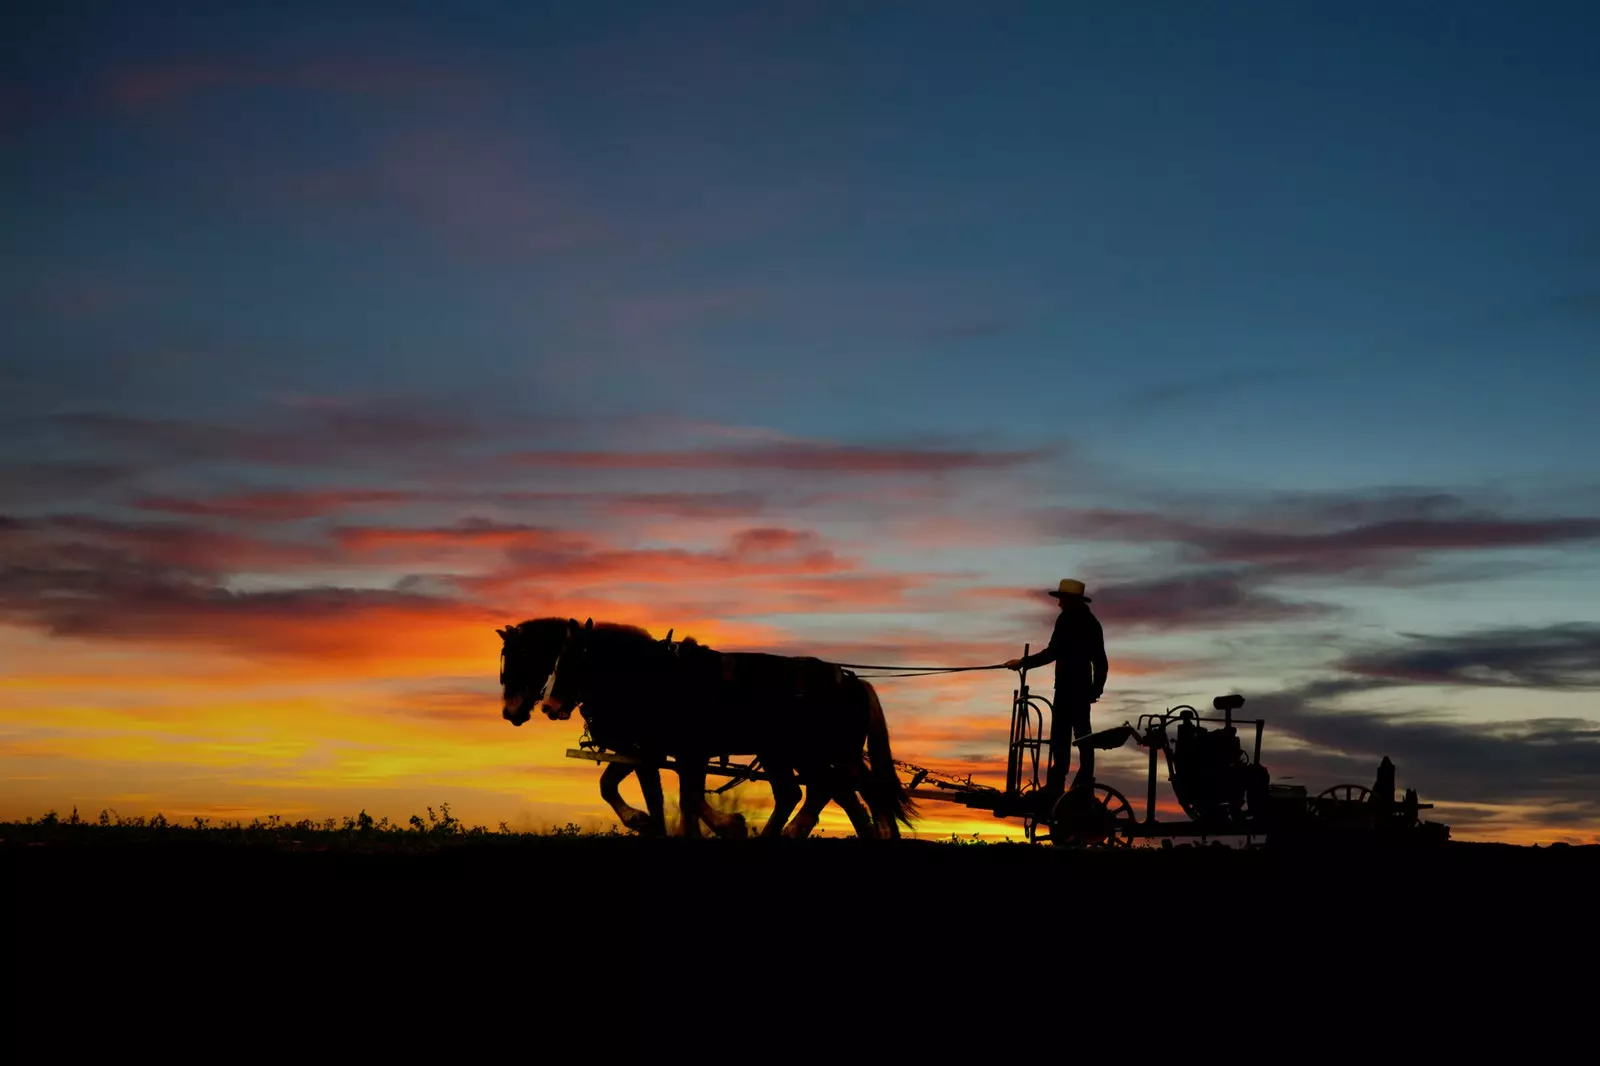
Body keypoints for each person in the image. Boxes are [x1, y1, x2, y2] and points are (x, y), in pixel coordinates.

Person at [1005, 578, 1108, 798]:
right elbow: (1101, 662)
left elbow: (1053, 652)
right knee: (1083, 737)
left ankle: (1056, 788)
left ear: (1069, 600)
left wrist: (1023, 663)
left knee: (1061, 738)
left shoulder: (1067, 620)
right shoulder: (1091, 622)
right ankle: (1083, 785)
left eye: (1061, 599)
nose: (1059, 603)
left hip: (1067, 689)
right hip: (1081, 689)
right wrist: (1094, 691)